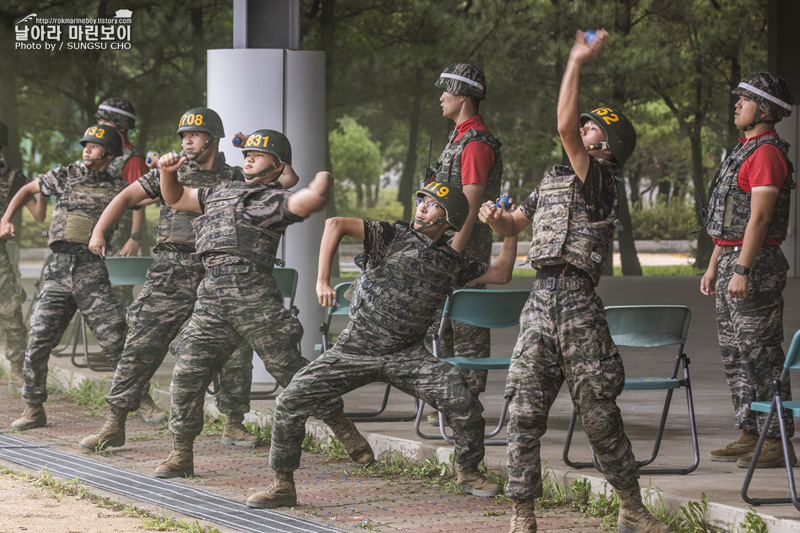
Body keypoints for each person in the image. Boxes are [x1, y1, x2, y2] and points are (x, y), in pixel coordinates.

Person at [480, 30, 668, 533]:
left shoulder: (603, 179)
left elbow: (562, 124)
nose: (580, 130)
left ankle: (631, 505)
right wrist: (495, 220)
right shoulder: (553, 180)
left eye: (590, 129)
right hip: (540, 301)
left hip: (578, 304)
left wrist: (575, 62)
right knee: (522, 410)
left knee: (599, 413)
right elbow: (514, 225)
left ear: (605, 144)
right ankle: (523, 512)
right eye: (584, 126)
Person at [253, 181, 517, 509]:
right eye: (421, 199)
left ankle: (467, 470)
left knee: (462, 400)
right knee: (292, 399)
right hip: (356, 348)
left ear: (448, 219)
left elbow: (502, 274)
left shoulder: (452, 262)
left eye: (432, 204)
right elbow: (335, 223)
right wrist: (322, 279)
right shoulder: (392, 235)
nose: (421, 206)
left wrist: (509, 230)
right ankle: (282, 484)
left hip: (406, 355)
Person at [152, 129, 373, 479]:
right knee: (187, 372)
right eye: (247, 153)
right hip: (211, 293)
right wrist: (167, 173)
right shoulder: (217, 191)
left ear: (277, 167)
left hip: (252, 293)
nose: (249, 158)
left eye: (259, 154)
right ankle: (181, 454)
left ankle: (343, 428)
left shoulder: (269, 198)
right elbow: (177, 198)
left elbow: (304, 200)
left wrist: (321, 184)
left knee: (290, 370)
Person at [79, 109, 288, 450]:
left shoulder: (236, 175)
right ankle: (114, 422)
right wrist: (100, 230)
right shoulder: (172, 171)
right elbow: (127, 197)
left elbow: (287, 177)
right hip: (170, 270)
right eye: (183, 135)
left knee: (235, 349)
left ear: (213, 138)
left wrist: (249, 143)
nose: (186, 140)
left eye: (194, 134)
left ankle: (233, 423)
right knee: (142, 345)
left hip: (217, 272)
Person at [0, 124, 129, 431]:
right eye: (85, 144)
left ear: (109, 154)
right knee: (38, 340)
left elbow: (142, 199)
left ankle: (139, 402)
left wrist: (136, 235)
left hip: (91, 270)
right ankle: (33, 408)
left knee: (117, 341)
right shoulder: (65, 174)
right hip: (58, 270)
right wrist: (5, 219)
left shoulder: (117, 188)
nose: (87, 149)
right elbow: (27, 190)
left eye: (95, 146)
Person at [701, 72, 796, 469]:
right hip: (732, 261)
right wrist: (714, 266)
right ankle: (751, 428)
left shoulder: (768, 153)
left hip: (754, 265)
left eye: (745, 98)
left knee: (762, 352)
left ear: (766, 109)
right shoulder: (744, 149)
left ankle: (777, 437)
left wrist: (741, 268)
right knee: (736, 353)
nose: (736, 104)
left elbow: (759, 219)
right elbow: (729, 222)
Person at [425, 63, 504, 426]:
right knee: (437, 323)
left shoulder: (475, 144)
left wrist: (454, 249)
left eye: (446, 91)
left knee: (467, 322)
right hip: (444, 244)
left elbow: (471, 203)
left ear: (463, 96)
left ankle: (467, 401)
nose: (440, 97)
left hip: (463, 248)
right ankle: (447, 396)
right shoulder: (457, 139)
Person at [0, 120, 46, 389]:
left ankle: (16, 368)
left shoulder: (13, 177)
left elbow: (39, 216)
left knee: (10, 312)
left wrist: (43, 189)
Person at [94, 98, 149, 308]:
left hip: (120, 236)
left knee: (117, 294)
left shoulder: (132, 159)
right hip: (98, 234)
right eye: (99, 119)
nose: (100, 124)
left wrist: (134, 237)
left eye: (105, 121)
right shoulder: (100, 154)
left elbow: (140, 200)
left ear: (122, 126)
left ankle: (125, 338)